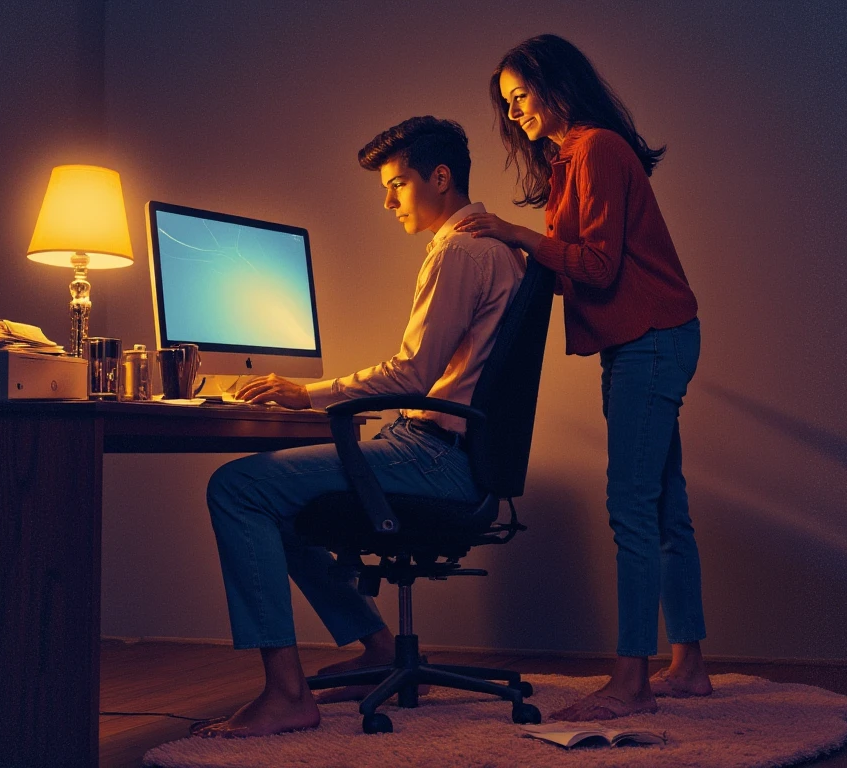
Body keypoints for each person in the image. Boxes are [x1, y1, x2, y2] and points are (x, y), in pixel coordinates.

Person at [195, 116, 525, 738]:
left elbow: (412, 373)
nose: (388, 201)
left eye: (397, 185)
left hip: (433, 454)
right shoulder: (502, 249)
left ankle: (288, 695)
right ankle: (377, 650)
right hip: (460, 456)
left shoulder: (459, 249)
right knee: (281, 501)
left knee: (237, 489)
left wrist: (306, 394)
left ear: (441, 176)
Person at [454, 34, 712, 721]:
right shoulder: (570, 160)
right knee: (662, 506)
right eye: (506, 105)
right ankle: (687, 667)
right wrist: (518, 258)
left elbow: (596, 267)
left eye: (521, 97)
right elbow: (584, 269)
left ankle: (632, 683)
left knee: (632, 503)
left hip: (649, 340)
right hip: (650, 336)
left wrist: (513, 234)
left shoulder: (596, 148)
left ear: (556, 84)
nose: (515, 115)